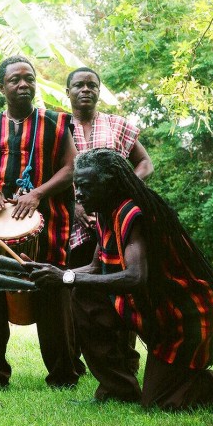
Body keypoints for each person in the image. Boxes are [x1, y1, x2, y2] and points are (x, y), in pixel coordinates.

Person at [29, 148, 213, 410]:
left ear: (109, 184)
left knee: (162, 401)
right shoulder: (106, 211)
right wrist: (54, 273)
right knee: (84, 296)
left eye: (85, 186)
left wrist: (66, 278)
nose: (78, 194)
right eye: (76, 186)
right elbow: (95, 266)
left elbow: (136, 276)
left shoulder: (131, 212)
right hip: (159, 309)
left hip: (187, 314)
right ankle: (118, 390)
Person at [0, 55, 82, 389]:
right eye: (15, 80)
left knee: (52, 300)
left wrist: (38, 194)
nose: (23, 85)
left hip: (49, 225)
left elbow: (71, 167)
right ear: (1, 86)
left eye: (29, 78)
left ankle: (63, 375)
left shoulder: (56, 123)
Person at [67, 66, 154, 373]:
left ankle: (125, 360)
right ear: (68, 93)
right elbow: (58, 175)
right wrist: (77, 205)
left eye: (92, 85)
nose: (85, 90)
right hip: (77, 222)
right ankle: (80, 362)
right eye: (78, 85)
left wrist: (122, 190)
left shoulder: (117, 125)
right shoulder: (59, 127)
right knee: (84, 289)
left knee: (122, 285)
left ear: (99, 91)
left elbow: (144, 162)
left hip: (117, 218)